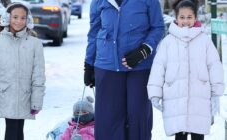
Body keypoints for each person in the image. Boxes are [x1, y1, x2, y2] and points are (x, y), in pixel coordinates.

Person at [83, 0, 165, 139]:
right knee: (108, 119)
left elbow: (158, 27)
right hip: (107, 66)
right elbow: (94, 32)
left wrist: (144, 50)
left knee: (138, 116)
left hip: (140, 68)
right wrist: (89, 64)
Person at [147, 0, 225, 140]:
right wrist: (155, 93)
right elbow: (158, 68)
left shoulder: (205, 41)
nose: (185, 21)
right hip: (175, 97)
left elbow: (215, 66)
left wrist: (216, 93)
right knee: (180, 133)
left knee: (198, 133)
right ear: (176, 18)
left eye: (189, 17)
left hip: (199, 96)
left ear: (195, 18)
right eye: (182, 17)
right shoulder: (168, 42)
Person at [0, 2, 46, 140]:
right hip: (5, 94)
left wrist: (37, 99)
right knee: (12, 128)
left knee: (18, 129)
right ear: (8, 17)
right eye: (15, 17)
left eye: (22, 18)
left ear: (28, 20)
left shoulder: (34, 44)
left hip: (24, 95)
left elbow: (38, 75)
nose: (19, 21)